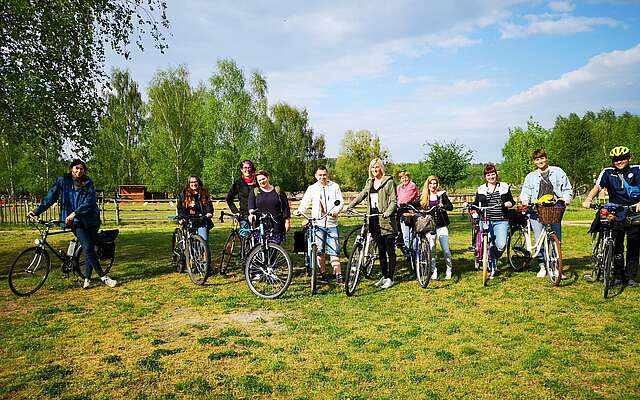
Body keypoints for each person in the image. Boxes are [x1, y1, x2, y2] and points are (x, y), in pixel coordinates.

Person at [28, 159, 117, 289]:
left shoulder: (88, 182)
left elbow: (89, 201)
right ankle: (103, 277)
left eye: (81, 169)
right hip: (76, 222)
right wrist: (36, 212)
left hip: (91, 219)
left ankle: (87, 279)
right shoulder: (62, 181)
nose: (79, 171)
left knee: (89, 248)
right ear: (71, 168)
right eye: (76, 168)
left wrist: (75, 212)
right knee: (87, 247)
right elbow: (50, 197)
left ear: (84, 171)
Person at [582, 146, 640, 286]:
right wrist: (589, 199)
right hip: (615, 212)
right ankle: (618, 275)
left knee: (634, 245)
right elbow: (598, 187)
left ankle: (631, 276)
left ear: (629, 158)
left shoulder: (637, 170)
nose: (619, 161)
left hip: (635, 211)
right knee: (616, 244)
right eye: (616, 159)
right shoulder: (608, 172)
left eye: (622, 158)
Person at [520, 149, 573, 278]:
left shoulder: (558, 172)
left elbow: (567, 189)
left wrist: (566, 199)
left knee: (556, 239)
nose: (540, 161)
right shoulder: (530, 176)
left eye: (542, 158)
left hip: (554, 209)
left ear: (546, 158)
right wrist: (525, 201)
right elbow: (525, 192)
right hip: (536, 210)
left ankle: (556, 267)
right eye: (537, 159)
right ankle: (542, 266)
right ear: (534, 161)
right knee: (539, 239)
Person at [347, 158, 398, 289]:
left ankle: (391, 278)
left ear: (381, 168)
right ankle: (384, 275)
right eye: (373, 168)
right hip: (373, 219)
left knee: (389, 251)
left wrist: (388, 211)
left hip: (386, 220)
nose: (375, 170)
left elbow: (393, 200)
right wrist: (350, 206)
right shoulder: (370, 182)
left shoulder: (389, 182)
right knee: (380, 251)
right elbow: (362, 195)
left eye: (377, 167)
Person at [296, 166, 345, 284]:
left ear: (327, 175)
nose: (322, 177)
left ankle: (338, 275)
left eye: (324, 174)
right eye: (320, 175)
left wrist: (336, 211)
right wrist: (299, 210)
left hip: (332, 224)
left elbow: (341, 202)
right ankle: (323, 274)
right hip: (317, 224)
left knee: (334, 250)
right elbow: (305, 202)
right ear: (316, 176)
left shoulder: (335, 186)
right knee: (320, 251)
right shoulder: (312, 188)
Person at [468, 164, 515, 278]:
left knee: (501, 245)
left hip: (501, 220)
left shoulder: (504, 187)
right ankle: (491, 266)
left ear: (496, 175)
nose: (491, 176)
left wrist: (509, 204)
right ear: (485, 176)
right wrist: (470, 206)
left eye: (493, 174)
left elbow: (511, 201)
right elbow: (476, 203)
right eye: (488, 175)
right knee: (488, 244)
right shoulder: (481, 189)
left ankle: (493, 257)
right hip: (485, 220)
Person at [420, 176, 454, 280]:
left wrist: (443, 206)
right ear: (428, 184)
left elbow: (450, 207)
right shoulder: (425, 196)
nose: (433, 186)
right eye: (431, 183)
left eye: (435, 183)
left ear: (437, 184)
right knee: (432, 250)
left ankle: (449, 269)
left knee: (446, 250)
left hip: (442, 226)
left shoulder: (441, 194)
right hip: (430, 227)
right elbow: (418, 205)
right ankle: (433, 270)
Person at [248, 170, 291, 244]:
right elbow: (251, 206)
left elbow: (285, 207)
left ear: (268, 178)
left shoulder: (278, 191)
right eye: (259, 180)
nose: (262, 181)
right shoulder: (255, 191)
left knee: (274, 249)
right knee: (261, 250)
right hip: (260, 225)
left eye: (263, 178)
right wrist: (251, 214)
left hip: (277, 225)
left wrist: (287, 221)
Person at [176, 175, 214, 241]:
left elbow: (208, 205)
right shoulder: (184, 194)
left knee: (203, 241)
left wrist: (209, 212)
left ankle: (204, 251)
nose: (193, 184)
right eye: (191, 182)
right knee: (190, 241)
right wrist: (181, 218)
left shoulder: (204, 193)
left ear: (199, 182)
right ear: (188, 184)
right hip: (188, 221)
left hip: (201, 221)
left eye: (195, 182)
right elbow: (180, 208)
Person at [225, 160, 256, 233]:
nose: (247, 170)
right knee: (245, 237)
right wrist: (235, 211)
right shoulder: (238, 183)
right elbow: (229, 198)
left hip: (257, 213)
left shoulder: (258, 182)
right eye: (245, 168)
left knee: (258, 238)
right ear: (241, 169)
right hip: (244, 215)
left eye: (249, 167)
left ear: (252, 168)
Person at [396, 170, 419, 257]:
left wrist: (399, 203)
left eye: (406, 177)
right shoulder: (399, 187)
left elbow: (406, 199)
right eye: (402, 178)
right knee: (404, 234)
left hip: (410, 212)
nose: (404, 179)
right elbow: (396, 198)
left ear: (409, 178)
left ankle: (412, 254)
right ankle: (409, 253)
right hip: (401, 212)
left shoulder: (412, 185)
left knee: (410, 234)